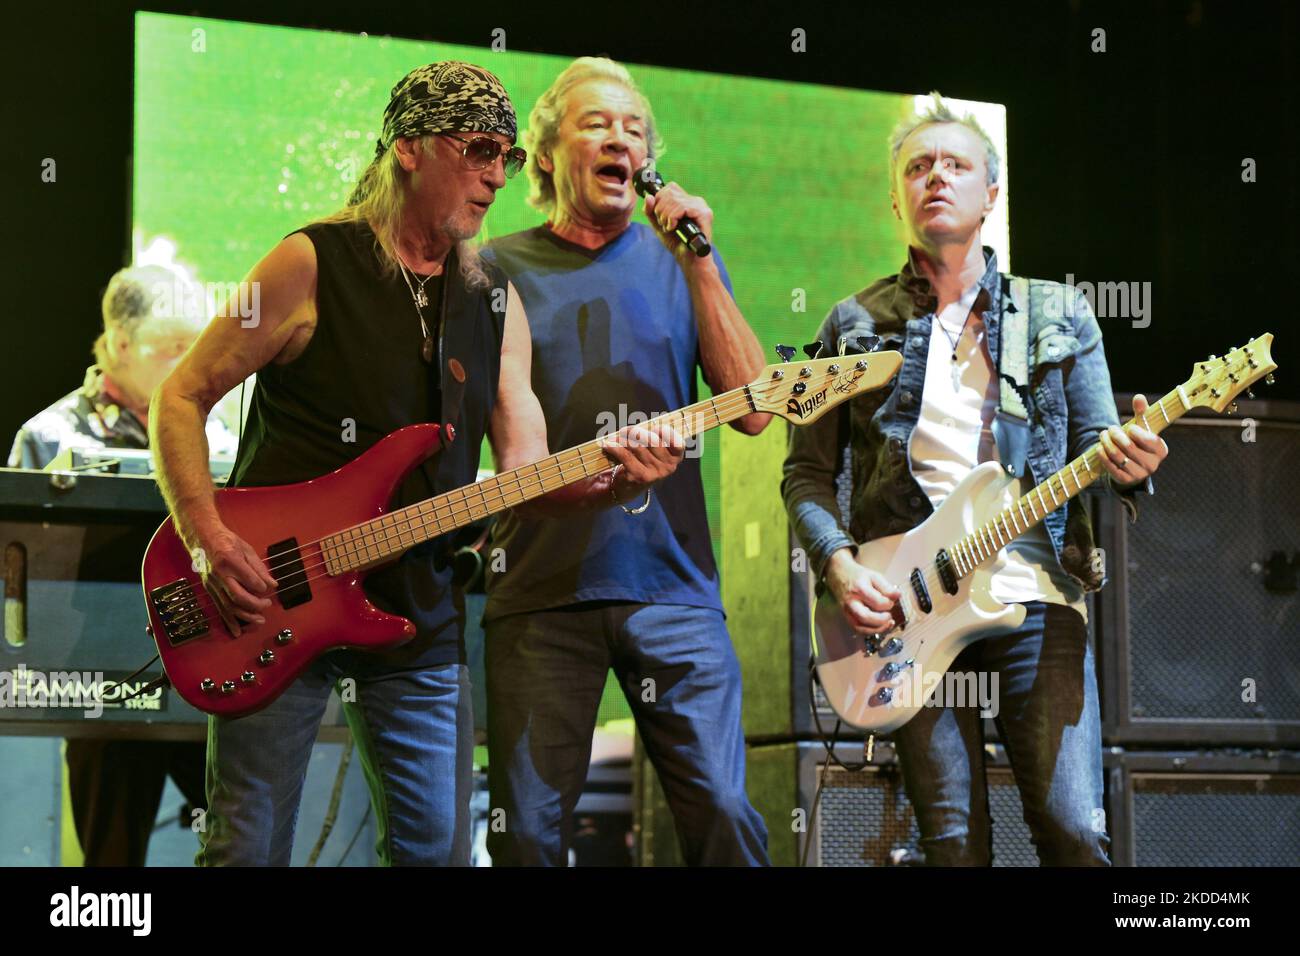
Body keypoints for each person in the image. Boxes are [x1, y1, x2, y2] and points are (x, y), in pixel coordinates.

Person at [148, 61, 683, 867]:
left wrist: (610, 483)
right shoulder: (309, 263)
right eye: (477, 151)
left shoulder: (494, 299)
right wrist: (203, 537)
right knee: (247, 848)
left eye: (505, 156)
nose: (498, 176)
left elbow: (525, 476)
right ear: (409, 147)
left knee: (436, 854)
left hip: (416, 614)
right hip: (267, 593)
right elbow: (180, 397)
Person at [782, 94, 1168, 866]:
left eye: (956, 165)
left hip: (1033, 592)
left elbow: (1098, 444)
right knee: (952, 844)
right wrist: (840, 562)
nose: (936, 178)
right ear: (896, 197)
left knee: (1072, 829)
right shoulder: (849, 324)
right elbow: (805, 473)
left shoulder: (1059, 311)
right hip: (908, 604)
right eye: (918, 167)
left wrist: (1132, 465)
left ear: (992, 194)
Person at [481, 56, 771, 867]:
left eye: (635, 129)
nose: (621, 139)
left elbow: (750, 409)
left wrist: (703, 259)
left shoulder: (685, 261)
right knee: (528, 835)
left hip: (673, 587)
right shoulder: (496, 267)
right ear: (543, 155)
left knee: (721, 808)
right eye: (597, 124)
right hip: (541, 589)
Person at [8, 263, 234, 866]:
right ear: (119, 344)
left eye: (197, 347)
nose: (190, 362)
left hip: (210, 667)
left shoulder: (221, 438)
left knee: (242, 838)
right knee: (111, 867)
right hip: (100, 683)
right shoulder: (49, 438)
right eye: (173, 349)